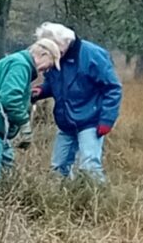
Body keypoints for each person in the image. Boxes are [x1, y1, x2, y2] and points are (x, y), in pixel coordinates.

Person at [0, 38, 61, 197]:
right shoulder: (21, 65)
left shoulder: (17, 62)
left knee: (6, 164)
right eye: (49, 64)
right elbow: (9, 98)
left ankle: (2, 202)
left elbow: (8, 93)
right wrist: (24, 125)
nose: (46, 70)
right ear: (43, 54)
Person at [34, 22, 122, 183]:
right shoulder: (55, 58)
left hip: (91, 120)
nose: (47, 51)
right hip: (66, 121)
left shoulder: (93, 55)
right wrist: (41, 91)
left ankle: (99, 201)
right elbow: (53, 84)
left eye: (50, 46)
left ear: (63, 42)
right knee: (57, 167)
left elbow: (113, 88)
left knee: (89, 167)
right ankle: (64, 201)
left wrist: (107, 119)